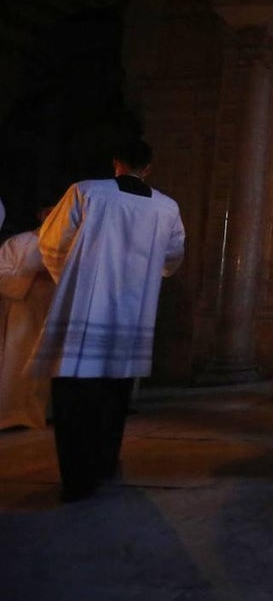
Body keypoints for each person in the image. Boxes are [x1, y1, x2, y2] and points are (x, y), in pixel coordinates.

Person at [26, 139, 185, 502]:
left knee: (75, 395)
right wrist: (143, 275)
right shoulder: (166, 207)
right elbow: (173, 255)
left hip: (85, 308)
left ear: (116, 162)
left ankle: (77, 479)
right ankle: (105, 463)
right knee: (115, 394)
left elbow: (51, 242)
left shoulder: (85, 192)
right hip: (132, 313)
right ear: (148, 167)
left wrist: (73, 275)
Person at [0, 208, 55, 430]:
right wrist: (31, 277)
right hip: (22, 316)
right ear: (42, 216)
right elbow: (2, 274)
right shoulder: (19, 243)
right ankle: (16, 415)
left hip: (53, 315)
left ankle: (49, 412)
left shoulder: (71, 246)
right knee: (20, 363)